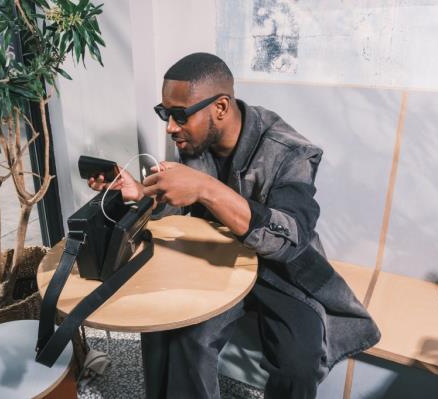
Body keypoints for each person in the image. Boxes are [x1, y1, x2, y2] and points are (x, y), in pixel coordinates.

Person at [88, 52, 380, 399]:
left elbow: (291, 238)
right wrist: (140, 193)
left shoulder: (292, 152)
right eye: (165, 114)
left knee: (299, 363)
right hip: (216, 259)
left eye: (179, 115)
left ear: (221, 108)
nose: (170, 127)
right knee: (180, 332)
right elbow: (188, 208)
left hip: (282, 272)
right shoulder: (196, 138)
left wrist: (205, 188)